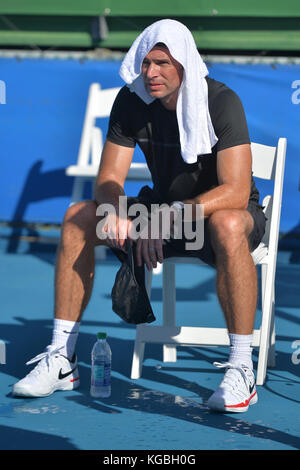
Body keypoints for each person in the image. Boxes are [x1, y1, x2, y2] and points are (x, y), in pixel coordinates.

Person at [13, 19, 266, 413]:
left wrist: (170, 216)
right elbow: (108, 180)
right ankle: (62, 358)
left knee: (227, 223)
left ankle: (240, 367)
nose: (151, 73)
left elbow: (234, 192)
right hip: (162, 211)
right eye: (145, 63)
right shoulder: (131, 101)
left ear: (183, 63)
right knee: (79, 215)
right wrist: (115, 209)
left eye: (162, 63)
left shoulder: (220, 100)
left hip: (220, 214)